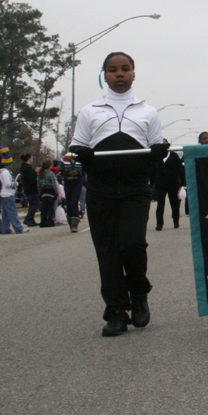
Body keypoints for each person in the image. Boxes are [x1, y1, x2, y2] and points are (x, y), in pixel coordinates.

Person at [69, 51, 168, 337]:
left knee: (132, 244)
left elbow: (157, 153)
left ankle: (139, 293)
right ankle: (116, 310)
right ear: (105, 75)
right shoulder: (90, 111)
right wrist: (83, 154)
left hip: (135, 188)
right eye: (113, 70)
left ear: (134, 73)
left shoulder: (148, 112)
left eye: (125, 69)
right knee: (108, 251)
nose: (120, 74)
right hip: (101, 189)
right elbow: (76, 148)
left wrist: (158, 152)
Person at [154, 138, 185, 230]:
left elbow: (180, 169)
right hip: (160, 184)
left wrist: (182, 183)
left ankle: (176, 221)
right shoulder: (156, 157)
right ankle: (159, 224)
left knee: (174, 204)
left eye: (165, 144)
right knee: (160, 204)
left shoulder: (174, 155)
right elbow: (153, 171)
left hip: (173, 184)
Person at [0, 147, 29, 234]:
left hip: (5, 194)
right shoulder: (5, 172)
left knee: (5, 213)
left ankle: (5, 229)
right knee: (13, 212)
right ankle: (18, 228)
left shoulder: (2, 172)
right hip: (7, 194)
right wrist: (15, 184)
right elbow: (7, 184)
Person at [59, 154, 85, 232]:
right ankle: (70, 222)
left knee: (74, 202)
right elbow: (61, 172)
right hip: (68, 182)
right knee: (69, 202)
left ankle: (75, 224)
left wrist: (77, 173)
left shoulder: (81, 159)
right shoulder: (64, 159)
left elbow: (85, 171)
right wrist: (68, 174)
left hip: (77, 182)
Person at [19, 153, 41, 227]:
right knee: (36, 203)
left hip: (27, 188)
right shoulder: (28, 168)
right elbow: (32, 179)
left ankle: (31, 219)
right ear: (29, 158)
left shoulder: (23, 167)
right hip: (31, 189)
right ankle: (28, 219)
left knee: (32, 204)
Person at [37, 159, 59, 228]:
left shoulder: (40, 174)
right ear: (50, 166)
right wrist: (56, 193)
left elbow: (38, 184)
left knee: (44, 208)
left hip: (43, 192)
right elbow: (54, 184)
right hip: (50, 191)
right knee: (50, 208)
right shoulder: (51, 173)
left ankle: (43, 222)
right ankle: (50, 222)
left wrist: (40, 193)